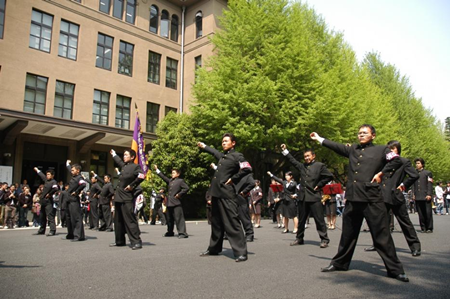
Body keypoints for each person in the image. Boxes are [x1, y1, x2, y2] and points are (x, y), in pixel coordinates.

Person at [311, 124, 409, 282]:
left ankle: (395, 270)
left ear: (373, 135)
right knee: (348, 235)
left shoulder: (382, 150)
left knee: (381, 236)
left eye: (365, 133)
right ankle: (340, 263)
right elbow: (337, 146)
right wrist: (319, 139)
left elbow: (398, 161)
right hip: (353, 198)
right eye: (359, 133)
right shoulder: (353, 149)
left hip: (372, 199)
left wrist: (381, 173)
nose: (361, 135)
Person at [197, 133, 252, 262]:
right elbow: (215, 152)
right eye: (222, 141)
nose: (223, 143)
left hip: (227, 194)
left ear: (233, 143)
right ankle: (214, 249)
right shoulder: (223, 157)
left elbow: (247, 169)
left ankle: (241, 253)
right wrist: (204, 146)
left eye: (226, 141)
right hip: (216, 194)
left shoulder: (237, 156)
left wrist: (233, 179)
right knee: (216, 224)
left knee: (232, 222)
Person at [364, 140, 421, 257]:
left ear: (398, 150)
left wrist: (404, 185)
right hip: (381, 195)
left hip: (395, 195)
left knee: (404, 221)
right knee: (379, 222)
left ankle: (415, 246)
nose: (390, 151)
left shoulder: (403, 161)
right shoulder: (383, 162)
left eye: (393, 149)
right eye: (388, 149)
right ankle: (378, 244)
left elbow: (414, 175)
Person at [280, 144, 333, 248]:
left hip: (314, 196)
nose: (306, 158)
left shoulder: (319, 165)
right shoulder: (302, 166)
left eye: (308, 156)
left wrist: (320, 184)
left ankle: (324, 239)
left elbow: (329, 176)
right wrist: (285, 150)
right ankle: (299, 238)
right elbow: (293, 161)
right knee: (301, 220)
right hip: (303, 197)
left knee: (319, 219)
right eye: (305, 156)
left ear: (313, 156)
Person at [109, 149, 145, 250]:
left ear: (132, 157)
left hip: (126, 197)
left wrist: (132, 185)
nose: (124, 156)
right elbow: (119, 161)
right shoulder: (124, 166)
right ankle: (119, 241)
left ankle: (136, 241)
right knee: (118, 221)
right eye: (123, 155)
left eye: (126, 155)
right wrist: (114, 154)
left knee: (129, 219)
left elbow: (142, 176)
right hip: (118, 196)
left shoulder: (135, 167)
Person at [154, 165, 189, 238]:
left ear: (178, 174)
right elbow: (163, 177)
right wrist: (157, 170)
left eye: (173, 173)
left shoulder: (180, 181)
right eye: (172, 173)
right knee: (169, 219)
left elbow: (186, 188)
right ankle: (170, 231)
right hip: (169, 202)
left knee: (179, 218)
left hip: (176, 202)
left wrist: (179, 194)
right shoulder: (170, 181)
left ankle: (182, 233)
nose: (172, 174)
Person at [32, 168, 59, 236]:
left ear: (52, 175)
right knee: (42, 216)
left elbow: (56, 188)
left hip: (48, 201)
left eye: (49, 174)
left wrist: (49, 194)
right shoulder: (46, 180)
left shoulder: (54, 182)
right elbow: (41, 175)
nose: (47, 175)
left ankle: (52, 230)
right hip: (43, 201)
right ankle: (42, 230)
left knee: (50, 216)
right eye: (47, 174)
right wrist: (37, 170)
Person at [65, 161, 87, 241]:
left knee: (76, 218)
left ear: (78, 170)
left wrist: (77, 192)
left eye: (73, 170)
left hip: (74, 200)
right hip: (69, 200)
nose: (71, 171)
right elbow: (69, 169)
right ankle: (71, 234)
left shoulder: (79, 178)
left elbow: (84, 184)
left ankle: (78, 236)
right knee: (69, 218)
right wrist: (68, 164)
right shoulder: (74, 177)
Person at [411, 158, 433, 233]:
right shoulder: (414, 173)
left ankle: (429, 227)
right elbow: (413, 185)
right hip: (418, 195)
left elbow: (430, 184)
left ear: (422, 164)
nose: (417, 165)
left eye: (418, 163)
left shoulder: (428, 173)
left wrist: (429, 194)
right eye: (416, 163)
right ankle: (423, 227)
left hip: (426, 195)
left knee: (428, 212)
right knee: (420, 213)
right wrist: (413, 194)